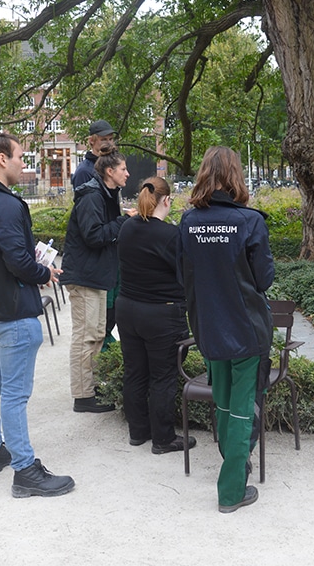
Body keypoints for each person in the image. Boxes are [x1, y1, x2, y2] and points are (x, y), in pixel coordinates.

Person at [0, 132, 74, 498]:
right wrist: (45, 273)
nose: (23, 163)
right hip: (11, 313)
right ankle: (25, 469)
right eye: (19, 157)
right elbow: (18, 261)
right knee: (13, 395)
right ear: (0, 160)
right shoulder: (6, 205)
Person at [180, 146, 274, 514]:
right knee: (242, 407)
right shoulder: (250, 222)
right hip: (247, 328)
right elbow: (264, 279)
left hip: (209, 325)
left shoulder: (188, 223)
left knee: (223, 402)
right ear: (236, 176)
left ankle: (235, 464)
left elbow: (182, 277)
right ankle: (232, 489)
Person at [116, 177, 195, 454]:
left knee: (135, 372)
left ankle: (138, 432)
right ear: (167, 200)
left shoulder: (127, 227)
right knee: (163, 376)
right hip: (161, 312)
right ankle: (163, 438)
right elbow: (187, 272)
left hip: (127, 309)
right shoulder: (170, 235)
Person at [60, 139, 136, 413]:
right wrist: (122, 221)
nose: (127, 173)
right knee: (86, 337)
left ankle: (89, 391)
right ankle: (83, 397)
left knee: (95, 335)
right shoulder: (92, 195)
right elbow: (93, 235)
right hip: (85, 277)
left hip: (95, 275)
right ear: (109, 172)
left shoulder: (104, 194)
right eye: (123, 169)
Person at [71, 119, 117, 189]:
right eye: (104, 139)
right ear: (92, 140)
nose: (109, 143)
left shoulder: (112, 165)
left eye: (110, 139)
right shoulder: (84, 171)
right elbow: (84, 199)